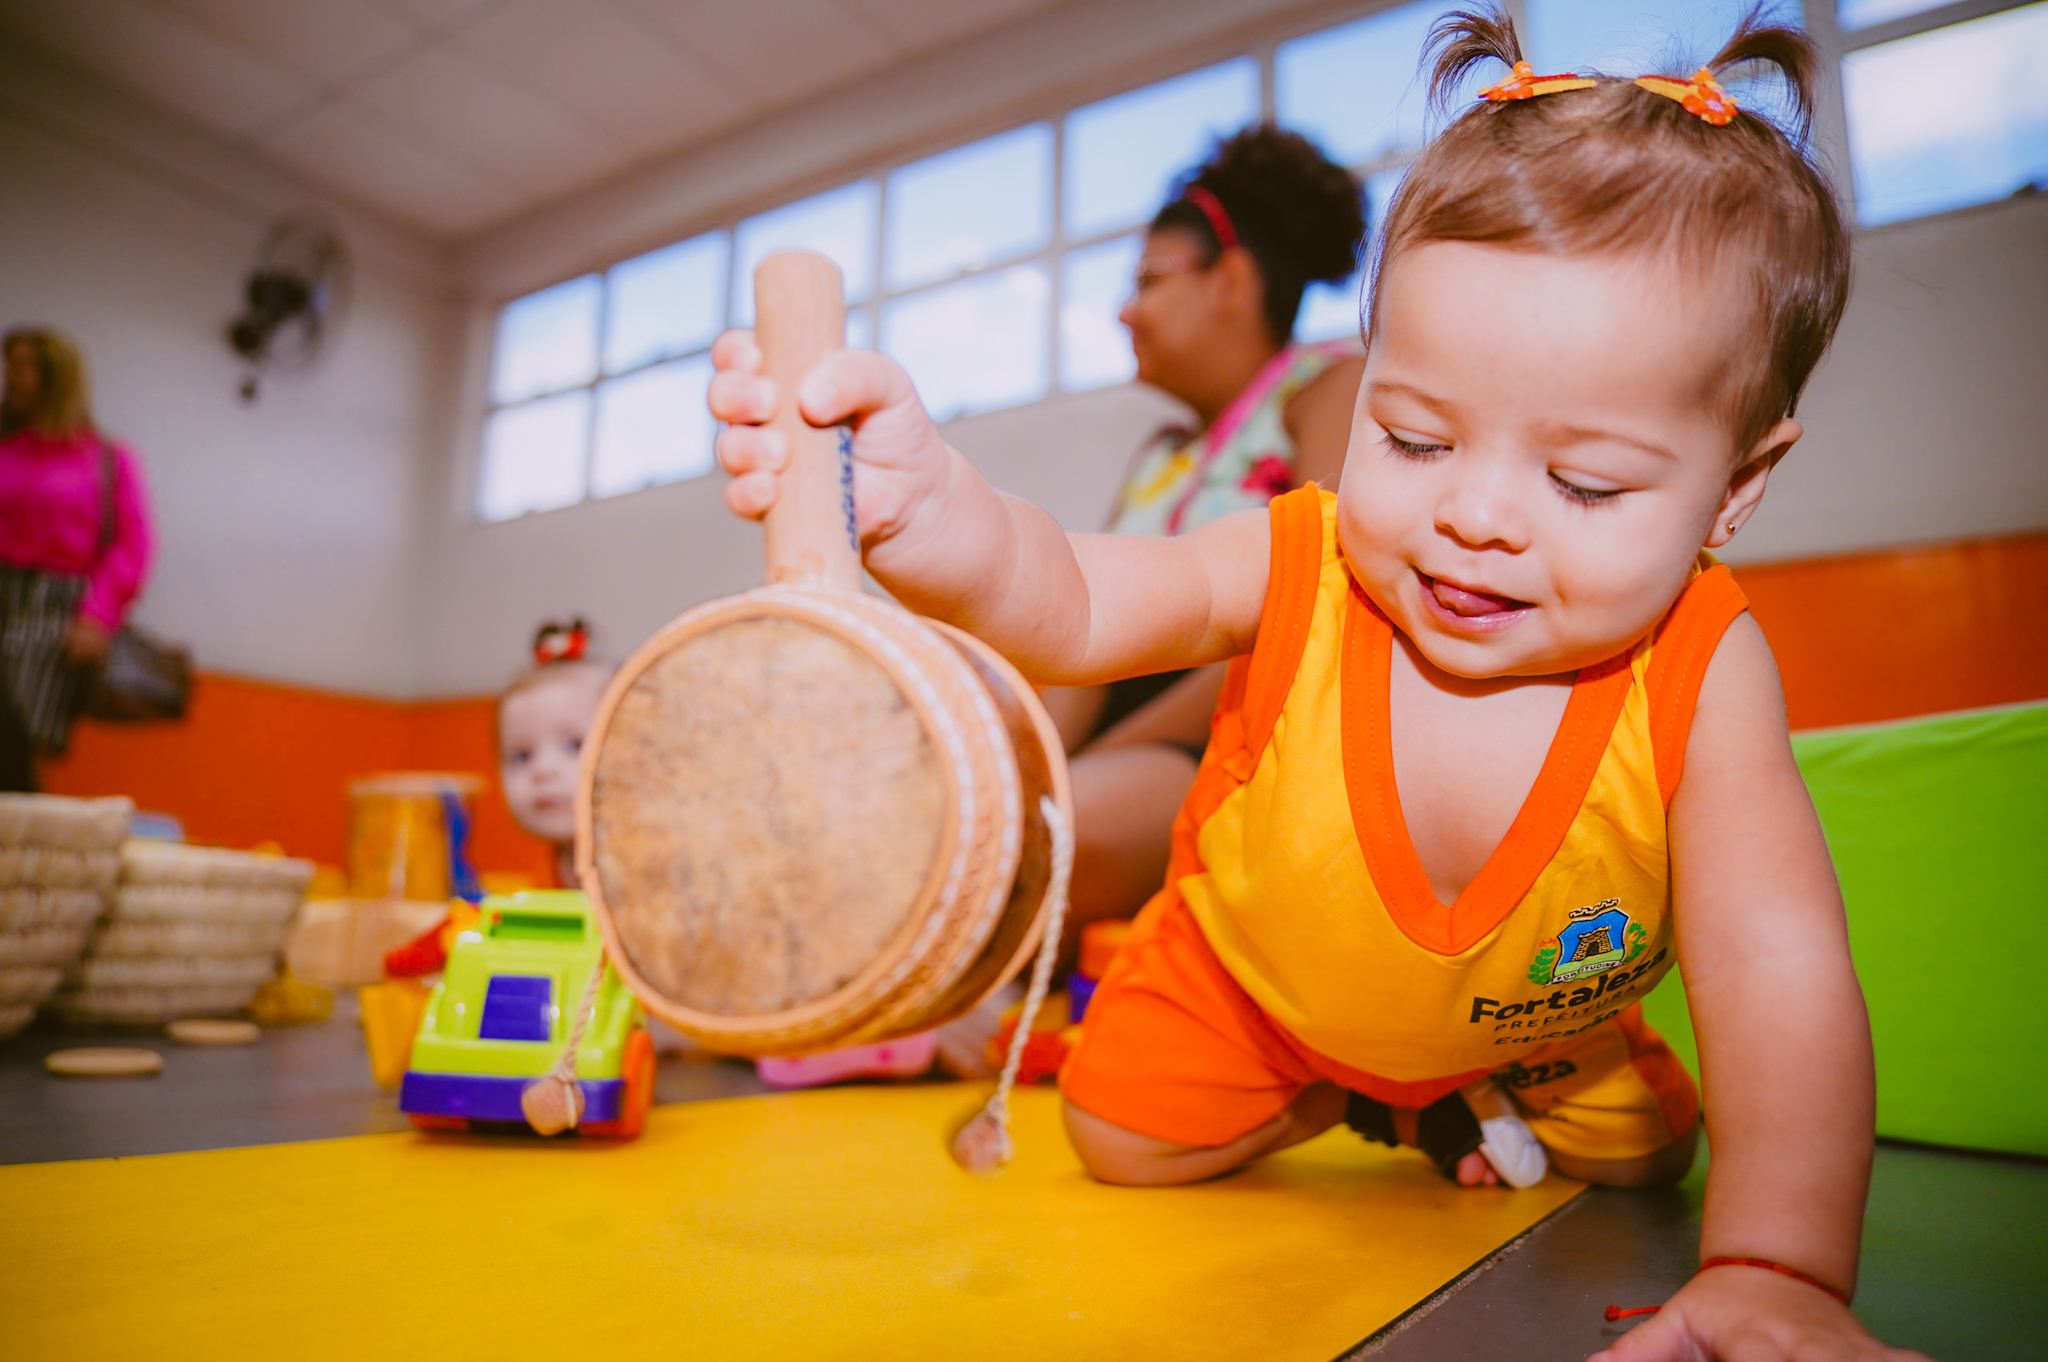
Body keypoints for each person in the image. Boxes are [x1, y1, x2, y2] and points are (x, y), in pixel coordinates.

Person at [711, 9, 1925, 1358]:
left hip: (1537, 1024)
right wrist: (935, 512)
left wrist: (1779, 1262)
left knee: (1651, 1159)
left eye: (1582, 481)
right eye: (1411, 436)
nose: (1475, 516)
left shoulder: (1704, 660)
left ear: (1738, 487)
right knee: (1114, 1132)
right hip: (1262, 987)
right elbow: (1078, 599)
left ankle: (1465, 1088)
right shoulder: (1304, 555)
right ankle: (1369, 1096)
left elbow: (1776, 955)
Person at [1047, 127, 1366, 946]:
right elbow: (1078, 646)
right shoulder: (1160, 458)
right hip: (1110, 742)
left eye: (1149, 281)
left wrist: (1081, 771)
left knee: (1041, 836)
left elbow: (1311, 602)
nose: (1126, 310)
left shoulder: (1328, 388)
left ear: (1231, 279)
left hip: (1224, 740)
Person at [0, 327, 154, 791]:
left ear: (56, 376)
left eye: (25, 365)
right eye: (10, 364)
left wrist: (97, 616)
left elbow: (132, 545)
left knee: (15, 738)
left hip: (56, 613)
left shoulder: (106, 459)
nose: (12, 376)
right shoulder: (5, 446)